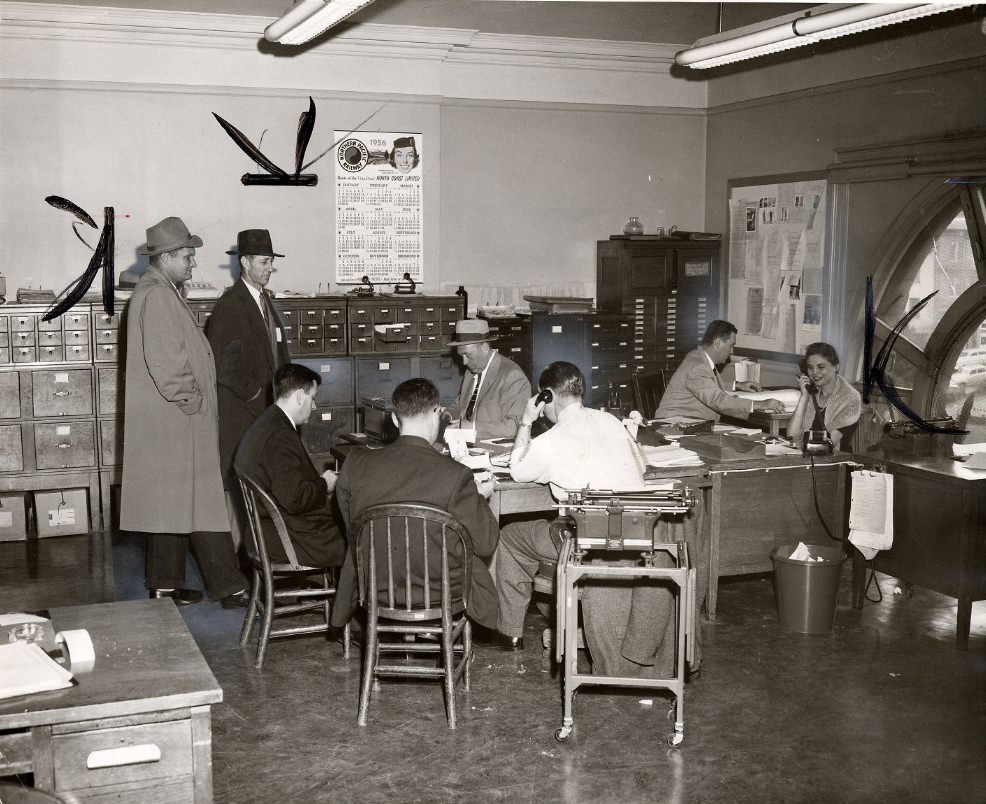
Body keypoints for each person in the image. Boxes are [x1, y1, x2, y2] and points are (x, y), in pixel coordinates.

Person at [120, 216, 248, 607]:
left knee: (169, 504)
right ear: (169, 257)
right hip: (179, 418)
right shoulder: (157, 296)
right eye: (188, 257)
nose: (193, 264)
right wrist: (193, 402)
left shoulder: (159, 290)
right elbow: (168, 365)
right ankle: (231, 587)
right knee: (202, 503)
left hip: (168, 422)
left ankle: (164, 584)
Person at [331, 378, 499, 630]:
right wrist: (479, 498)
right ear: (437, 413)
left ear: (395, 420)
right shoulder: (457, 475)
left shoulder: (355, 465)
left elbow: (353, 530)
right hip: (440, 593)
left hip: (375, 587)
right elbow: (486, 545)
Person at [206, 230, 291, 545]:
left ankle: (259, 562)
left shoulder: (263, 299)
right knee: (241, 496)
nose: (269, 268)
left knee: (258, 492)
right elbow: (222, 363)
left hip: (266, 413)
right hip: (245, 415)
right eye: (264, 261)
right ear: (244, 262)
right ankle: (240, 571)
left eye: (271, 262)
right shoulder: (232, 304)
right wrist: (257, 394)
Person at [233, 363, 346, 568]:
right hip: (286, 539)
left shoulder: (268, 423)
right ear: (300, 396)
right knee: (363, 536)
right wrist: (325, 484)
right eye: (313, 398)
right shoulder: (280, 435)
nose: (314, 406)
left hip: (267, 532)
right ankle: (346, 601)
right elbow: (294, 499)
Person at [655, 319, 786, 421]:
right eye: (731, 345)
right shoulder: (698, 366)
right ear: (717, 342)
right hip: (674, 427)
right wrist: (759, 404)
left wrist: (737, 385)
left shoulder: (698, 356)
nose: (732, 351)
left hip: (688, 424)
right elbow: (717, 400)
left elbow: (706, 386)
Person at [445, 319, 531, 440]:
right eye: (461, 356)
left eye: (468, 355)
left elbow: (514, 427)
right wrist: (446, 415)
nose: (464, 362)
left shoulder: (512, 376)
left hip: (492, 449)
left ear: (484, 347)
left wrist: (472, 428)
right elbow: (461, 403)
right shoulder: (471, 372)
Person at [788, 342, 862, 452]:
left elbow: (826, 444)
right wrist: (804, 396)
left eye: (821, 367)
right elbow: (791, 435)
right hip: (807, 458)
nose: (814, 372)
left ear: (836, 367)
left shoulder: (850, 399)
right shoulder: (812, 393)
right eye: (810, 368)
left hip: (834, 462)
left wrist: (798, 449)